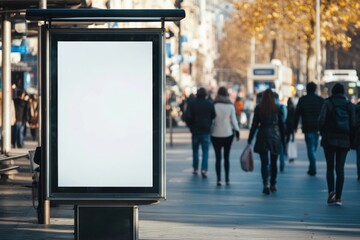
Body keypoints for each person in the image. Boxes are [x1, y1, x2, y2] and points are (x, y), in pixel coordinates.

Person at [318, 83, 355, 206]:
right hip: (344, 140)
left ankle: (331, 193)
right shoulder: (349, 105)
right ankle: (339, 197)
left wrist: (323, 132)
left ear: (332, 92)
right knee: (340, 168)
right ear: (343, 92)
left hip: (329, 139)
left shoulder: (327, 103)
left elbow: (321, 120)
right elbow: (353, 124)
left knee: (330, 167)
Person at [248, 89, 285, 195]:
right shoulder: (278, 108)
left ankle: (266, 184)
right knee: (274, 162)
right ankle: (273, 184)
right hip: (275, 136)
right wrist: (284, 139)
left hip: (263, 135)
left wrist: (250, 139)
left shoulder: (259, 108)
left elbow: (254, 125)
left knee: (264, 163)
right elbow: (282, 125)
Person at [211, 87, 240, 186]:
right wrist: (237, 131)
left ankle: (218, 179)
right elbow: (234, 121)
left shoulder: (214, 105)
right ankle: (227, 178)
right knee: (226, 157)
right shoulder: (230, 106)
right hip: (228, 134)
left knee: (218, 158)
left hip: (215, 134)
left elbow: (212, 120)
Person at [294, 82, 324, 176]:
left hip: (307, 127)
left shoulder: (302, 100)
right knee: (314, 147)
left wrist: (295, 127)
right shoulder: (320, 100)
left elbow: (297, 114)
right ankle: (312, 166)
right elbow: (324, 114)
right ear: (315, 89)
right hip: (318, 127)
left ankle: (312, 166)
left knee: (310, 148)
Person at [185, 87, 216, 178]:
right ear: (205, 95)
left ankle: (195, 168)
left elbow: (188, 117)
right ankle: (204, 169)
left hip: (195, 130)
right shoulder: (210, 104)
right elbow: (213, 115)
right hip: (206, 130)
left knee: (195, 150)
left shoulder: (191, 103)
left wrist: (190, 126)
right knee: (205, 151)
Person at [286, 98, 296, 162]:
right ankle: (292, 153)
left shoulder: (286, 108)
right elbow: (295, 117)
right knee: (292, 139)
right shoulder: (293, 108)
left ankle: (287, 152)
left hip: (287, 125)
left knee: (287, 139)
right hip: (292, 125)